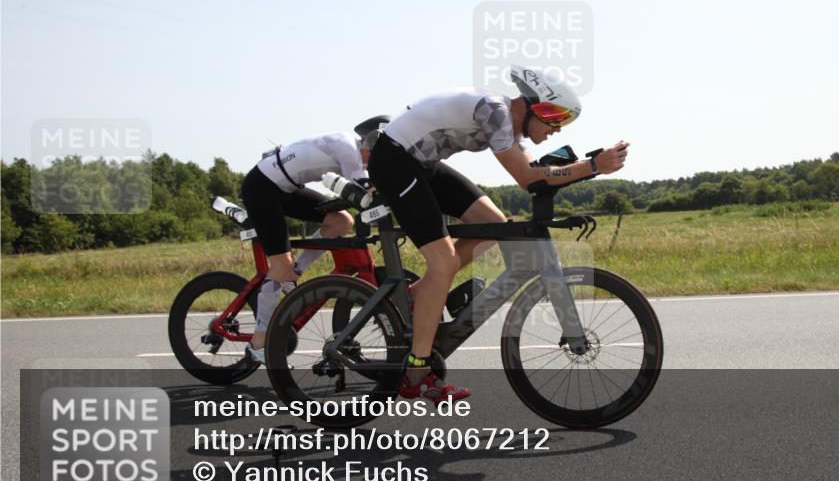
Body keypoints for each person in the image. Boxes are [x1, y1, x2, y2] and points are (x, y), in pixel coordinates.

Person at [366, 66, 629, 403]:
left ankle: (418, 296)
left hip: (421, 163)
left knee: (494, 224)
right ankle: (416, 374)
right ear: (534, 106)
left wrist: (583, 169)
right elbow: (526, 178)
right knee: (443, 263)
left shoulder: (507, 124)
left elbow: (535, 173)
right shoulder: (494, 111)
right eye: (555, 118)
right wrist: (593, 166)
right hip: (394, 162)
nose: (558, 128)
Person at [241, 115, 390, 363]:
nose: (376, 162)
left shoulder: (355, 154)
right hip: (262, 187)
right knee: (280, 265)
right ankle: (259, 342)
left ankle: (293, 275)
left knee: (341, 222)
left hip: (287, 188)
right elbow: (365, 191)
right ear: (368, 143)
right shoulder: (347, 147)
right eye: (378, 154)